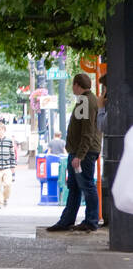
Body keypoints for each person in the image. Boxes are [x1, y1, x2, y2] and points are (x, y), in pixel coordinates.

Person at [47, 72, 102, 233]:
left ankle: (90, 221)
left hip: (83, 152)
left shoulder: (85, 101)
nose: (72, 88)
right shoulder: (87, 100)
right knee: (76, 186)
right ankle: (68, 220)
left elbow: (87, 131)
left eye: (73, 85)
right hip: (81, 151)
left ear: (77, 85)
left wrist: (80, 155)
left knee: (85, 185)